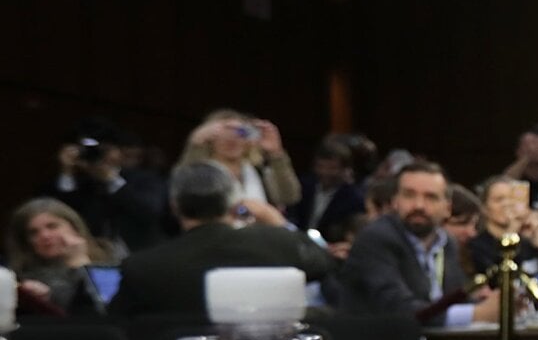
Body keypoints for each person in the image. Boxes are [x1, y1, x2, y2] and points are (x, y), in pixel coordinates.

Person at [107, 163, 334, 319]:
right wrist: (279, 223)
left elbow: (118, 321)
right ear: (233, 203)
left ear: (174, 205)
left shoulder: (142, 267)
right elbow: (324, 262)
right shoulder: (279, 243)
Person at [337, 161, 500, 325]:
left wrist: (493, 305)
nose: (419, 205)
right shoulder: (375, 239)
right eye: (409, 195)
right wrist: (477, 313)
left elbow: (447, 304)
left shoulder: (447, 242)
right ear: (395, 201)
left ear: (447, 208)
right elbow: (398, 310)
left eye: (430, 197)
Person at [45, 120, 169, 256]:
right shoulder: (79, 184)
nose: (98, 155)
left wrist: (111, 180)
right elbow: (61, 214)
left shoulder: (144, 179)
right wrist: (67, 172)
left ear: (119, 152)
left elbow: (150, 211)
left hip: (140, 255)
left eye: (104, 150)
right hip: (92, 255)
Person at [6, 198, 111, 316]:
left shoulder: (111, 254)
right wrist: (78, 262)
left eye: (52, 226)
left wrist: (82, 262)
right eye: (33, 232)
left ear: (74, 228)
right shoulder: (26, 278)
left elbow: (111, 303)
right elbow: (71, 311)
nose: (45, 236)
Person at [179, 109, 299, 209]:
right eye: (225, 132)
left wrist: (276, 154)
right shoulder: (200, 171)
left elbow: (289, 197)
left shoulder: (258, 171)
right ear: (209, 137)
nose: (233, 139)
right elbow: (181, 192)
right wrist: (195, 145)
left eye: (241, 132)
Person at [288, 134, 366, 243]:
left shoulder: (354, 198)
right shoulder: (303, 186)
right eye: (321, 167)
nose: (325, 172)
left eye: (332, 168)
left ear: (344, 170)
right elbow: (293, 215)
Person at [469, 175, 538, 276]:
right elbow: (497, 276)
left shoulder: (525, 243)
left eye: (511, 198)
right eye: (499, 200)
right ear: (485, 208)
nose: (507, 204)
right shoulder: (477, 246)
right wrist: (510, 233)